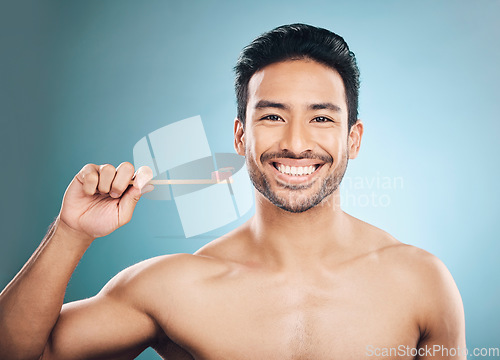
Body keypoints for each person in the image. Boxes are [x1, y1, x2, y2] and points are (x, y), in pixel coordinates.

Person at [0, 23, 465, 360]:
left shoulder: (421, 284)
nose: (297, 143)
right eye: (272, 116)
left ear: (353, 138)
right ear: (241, 136)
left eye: (321, 118)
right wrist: (69, 232)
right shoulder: (174, 287)